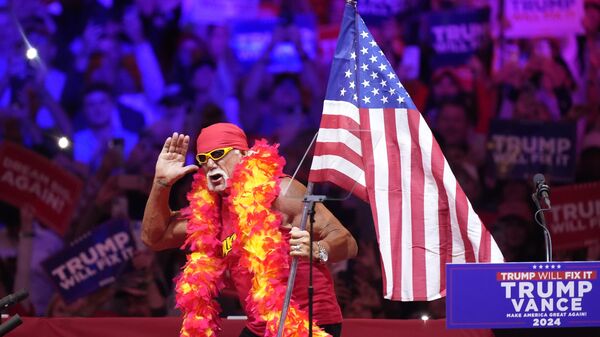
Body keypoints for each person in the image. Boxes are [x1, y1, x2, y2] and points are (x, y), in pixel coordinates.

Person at [141, 123, 357, 337]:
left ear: (243, 154)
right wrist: (161, 183)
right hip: (260, 327)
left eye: (218, 154)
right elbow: (155, 238)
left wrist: (318, 249)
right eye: (203, 159)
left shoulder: (280, 192)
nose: (210, 163)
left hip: (307, 323)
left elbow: (347, 241)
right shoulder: (210, 210)